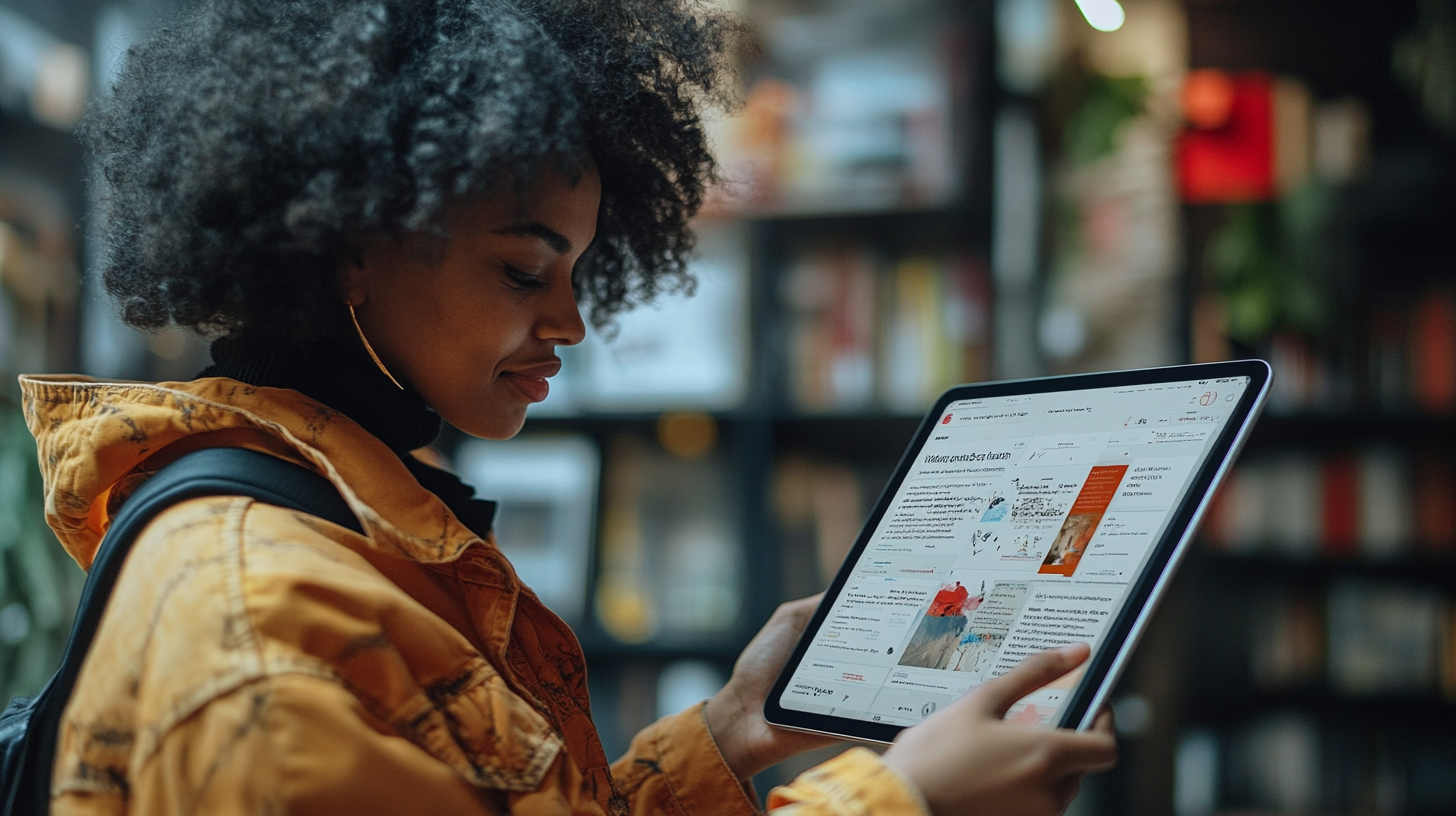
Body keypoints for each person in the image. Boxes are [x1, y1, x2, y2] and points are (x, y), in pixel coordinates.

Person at [20, 0, 1116, 813]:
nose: (570, 324)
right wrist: (900, 801)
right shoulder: (260, 614)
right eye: (520, 272)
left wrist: (732, 733)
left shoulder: (346, 533)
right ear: (348, 245)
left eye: (582, 272)